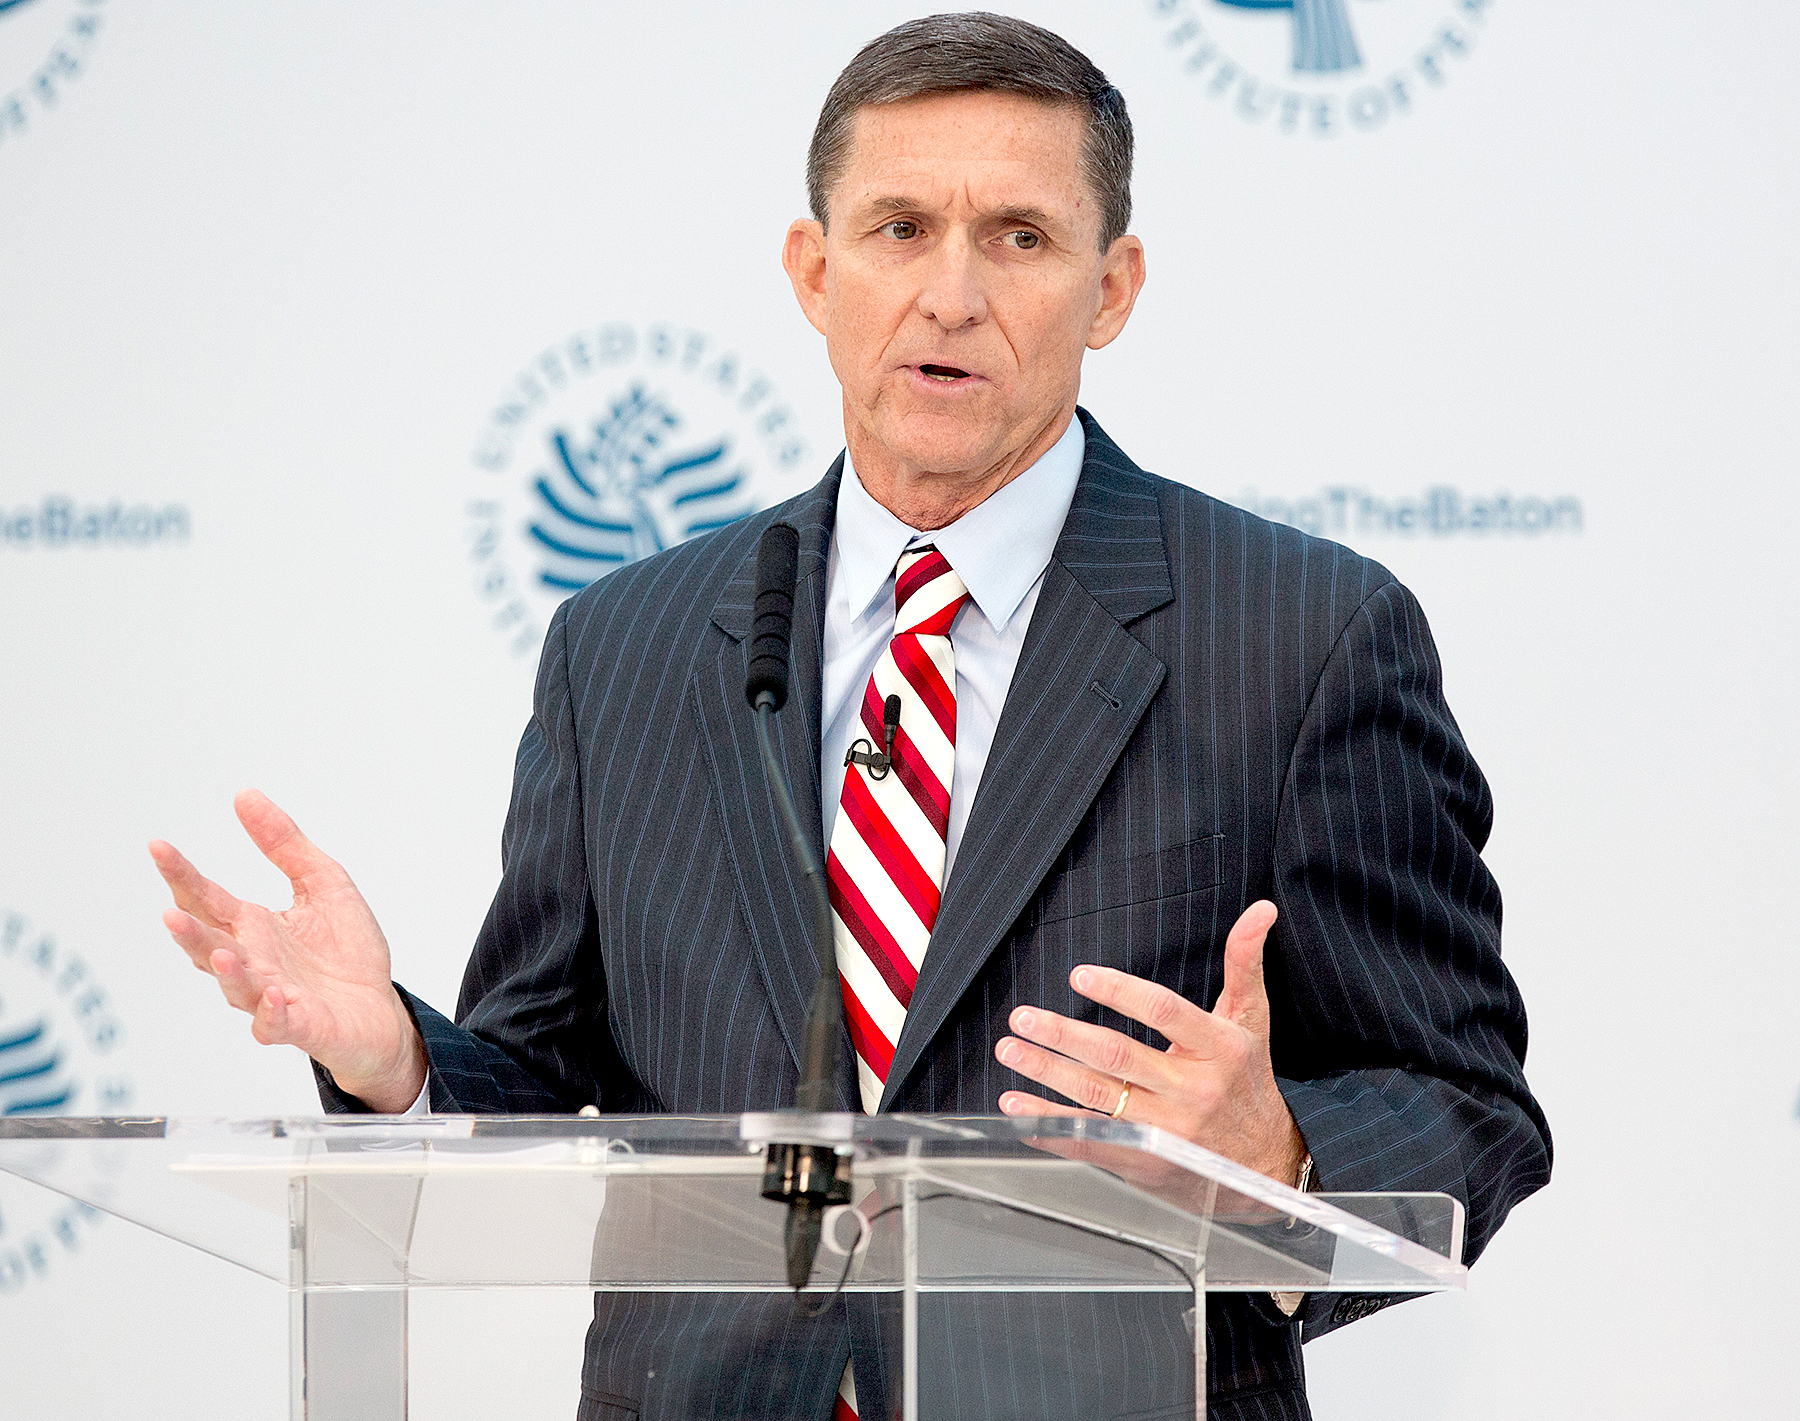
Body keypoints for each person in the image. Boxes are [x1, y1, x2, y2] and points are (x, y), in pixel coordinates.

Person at [149, 14, 1550, 1420]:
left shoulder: (1299, 637)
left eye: (1018, 237)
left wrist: (1284, 1154)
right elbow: (540, 1074)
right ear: (813, 274)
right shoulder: (624, 648)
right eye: (897, 228)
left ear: (1111, 289)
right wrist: (391, 1061)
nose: (949, 294)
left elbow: (1466, 1108)